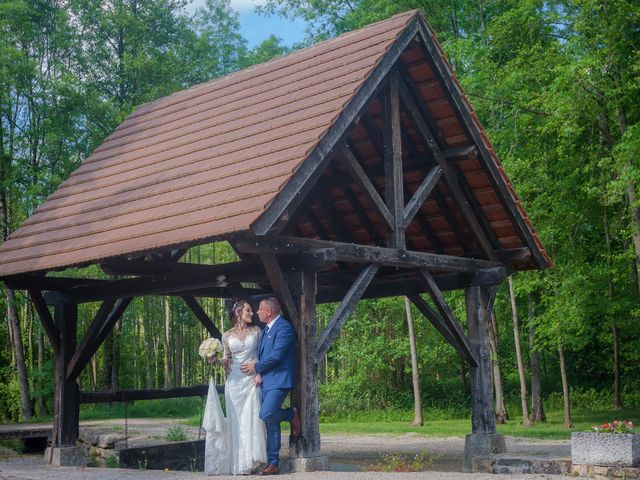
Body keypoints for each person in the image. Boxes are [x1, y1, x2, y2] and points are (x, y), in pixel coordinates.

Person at [204, 299, 266, 475]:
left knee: (253, 418)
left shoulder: (257, 331)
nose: (252, 314)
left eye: (252, 311)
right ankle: (238, 464)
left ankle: (253, 461)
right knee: (236, 422)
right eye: (248, 311)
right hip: (234, 383)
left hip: (251, 380)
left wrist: (258, 367)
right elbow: (226, 359)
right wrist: (215, 360)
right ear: (238, 313)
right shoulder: (226, 336)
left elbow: (263, 353)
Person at [241, 297, 301, 476]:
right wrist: (260, 374)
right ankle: (273, 463)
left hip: (280, 380)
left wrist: (256, 367)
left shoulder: (284, 328)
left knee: (266, 413)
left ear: (269, 311)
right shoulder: (266, 330)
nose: (257, 312)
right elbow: (264, 355)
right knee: (271, 422)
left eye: (260, 309)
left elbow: (277, 355)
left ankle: (292, 414)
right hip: (266, 380)